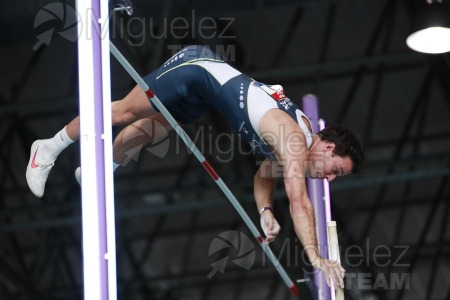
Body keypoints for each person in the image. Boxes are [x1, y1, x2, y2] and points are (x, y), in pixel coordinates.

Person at [26, 45, 364, 289]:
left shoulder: (298, 144)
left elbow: (265, 174)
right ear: (330, 147)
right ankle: (48, 148)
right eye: (336, 170)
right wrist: (316, 256)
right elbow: (298, 200)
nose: (330, 179)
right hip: (198, 69)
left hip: (206, 95)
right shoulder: (293, 139)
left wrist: (264, 211)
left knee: (151, 130)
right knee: (125, 113)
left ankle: (98, 170)